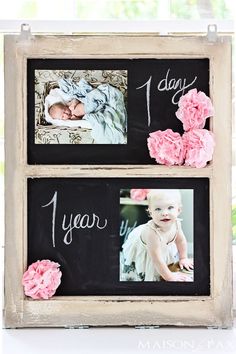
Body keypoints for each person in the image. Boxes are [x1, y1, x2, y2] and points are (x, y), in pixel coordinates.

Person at [121, 189, 194, 282]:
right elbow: (157, 259)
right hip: (150, 251)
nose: (164, 213)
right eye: (158, 209)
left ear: (178, 210)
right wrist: (170, 277)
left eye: (170, 207)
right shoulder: (151, 233)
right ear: (150, 213)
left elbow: (181, 241)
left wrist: (183, 258)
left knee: (167, 261)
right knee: (148, 274)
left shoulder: (176, 223)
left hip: (162, 245)